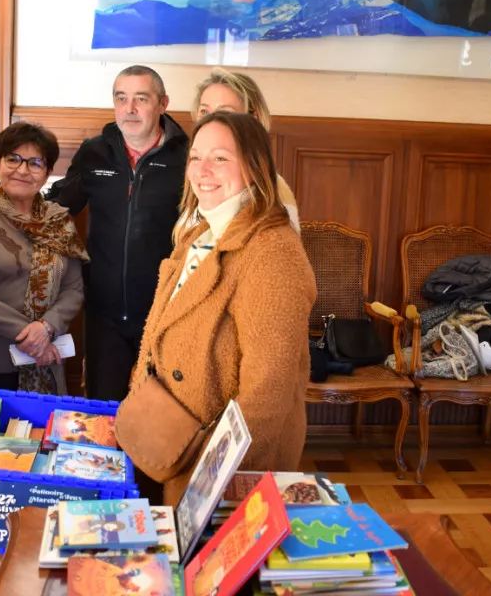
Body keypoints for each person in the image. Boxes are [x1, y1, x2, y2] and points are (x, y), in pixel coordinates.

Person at [131, 111, 316, 506]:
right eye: (196, 157)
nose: (202, 170)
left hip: (221, 471)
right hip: (171, 441)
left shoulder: (272, 252)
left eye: (220, 158)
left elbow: (267, 394)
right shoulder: (200, 231)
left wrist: (209, 485)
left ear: (255, 166)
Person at [0, 121, 88, 593]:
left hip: (45, 360)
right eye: (14, 158)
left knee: (40, 459)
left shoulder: (60, 220)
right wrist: (23, 331)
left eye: (35, 162)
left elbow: (73, 289)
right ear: (0, 162)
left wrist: (46, 327)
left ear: (48, 171)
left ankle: (33, 552)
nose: (23, 170)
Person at [47, 65, 188, 402]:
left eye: (141, 99)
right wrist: (9, 202)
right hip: (103, 311)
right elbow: (59, 206)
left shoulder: (187, 157)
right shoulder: (95, 152)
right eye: (122, 99)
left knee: (156, 412)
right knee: (102, 406)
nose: (130, 109)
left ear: (162, 103)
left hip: (162, 312)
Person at [178, 67, 300, 238]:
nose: (211, 120)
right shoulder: (201, 176)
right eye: (204, 111)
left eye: (225, 112)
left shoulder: (273, 190)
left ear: (253, 120)